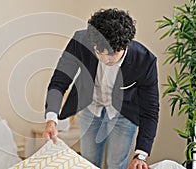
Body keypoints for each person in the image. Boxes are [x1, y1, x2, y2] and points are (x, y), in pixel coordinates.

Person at [43, 8, 159, 169]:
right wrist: (51, 119)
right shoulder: (81, 41)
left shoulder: (144, 60)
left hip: (124, 114)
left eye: (112, 54)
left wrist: (141, 155)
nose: (105, 59)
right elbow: (59, 81)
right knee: (88, 163)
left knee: (116, 164)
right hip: (91, 108)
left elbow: (150, 110)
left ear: (125, 45)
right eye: (99, 52)